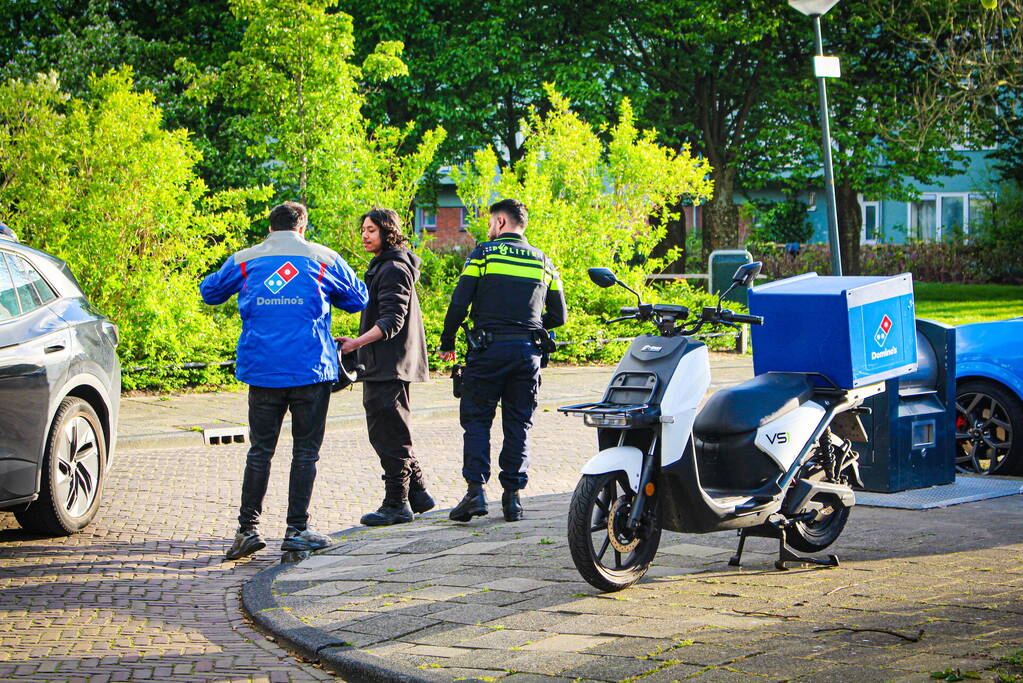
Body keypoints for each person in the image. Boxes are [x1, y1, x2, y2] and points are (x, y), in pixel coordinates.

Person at [200, 202, 368, 560]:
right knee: (305, 452)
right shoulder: (325, 258)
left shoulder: (246, 259)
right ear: (303, 227)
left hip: (262, 370)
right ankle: (296, 530)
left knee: (260, 450)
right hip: (311, 370)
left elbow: (209, 292)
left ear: (270, 228)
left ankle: (247, 530)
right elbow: (358, 299)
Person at [439, 198, 567, 522]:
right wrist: (529, 327)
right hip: (527, 354)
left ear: (500, 223)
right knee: (519, 423)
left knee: (477, 420)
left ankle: (476, 493)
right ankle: (513, 499)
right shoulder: (544, 262)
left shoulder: (482, 254)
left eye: (490, 222)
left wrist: (447, 341)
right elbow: (560, 316)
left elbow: (459, 302)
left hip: (487, 352)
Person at [338, 208, 434, 526]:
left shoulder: (393, 267)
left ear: (388, 232)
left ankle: (397, 503)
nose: (364, 235)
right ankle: (417, 492)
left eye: (371, 230)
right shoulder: (386, 265)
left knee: (389, 433)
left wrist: (356, 343)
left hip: (390, 363)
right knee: (391, 430)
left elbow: (392, 320)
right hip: (384, 363)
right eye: (363, 229)